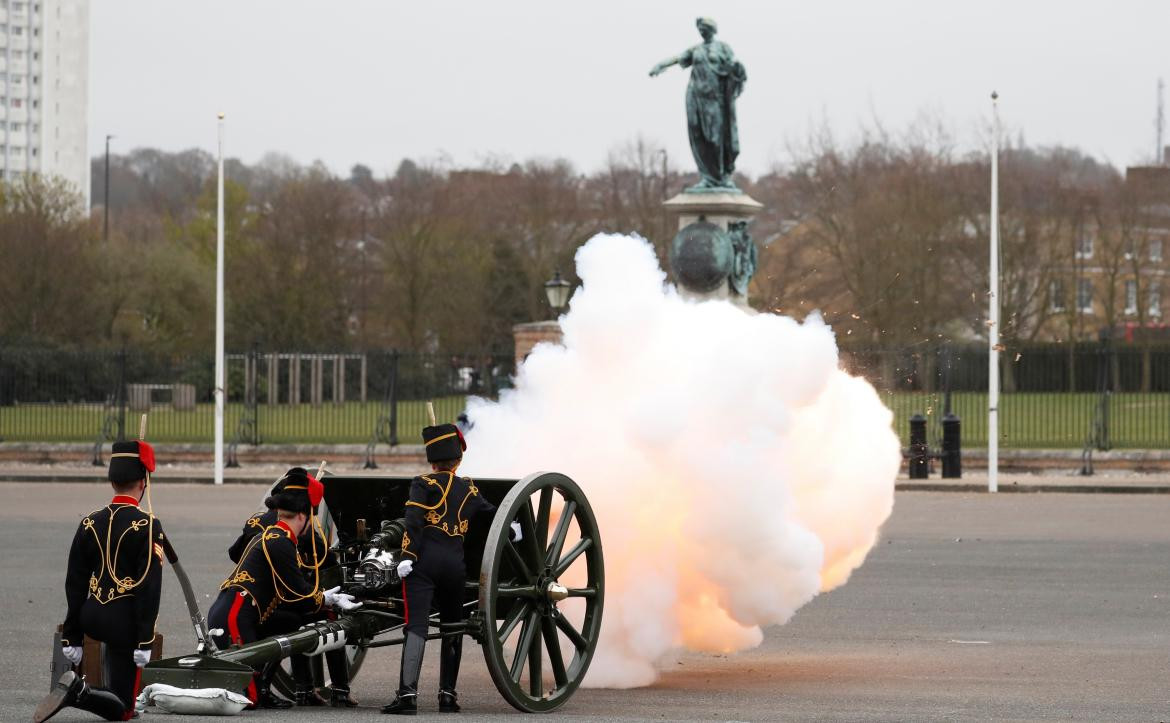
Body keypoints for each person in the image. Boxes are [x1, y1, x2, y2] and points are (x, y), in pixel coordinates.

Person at [382, 423, 521, 715]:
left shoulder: (424, 483)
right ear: (458, 461)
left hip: (423, 564)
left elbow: (414, 520)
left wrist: (406, 555)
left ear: (432, 461)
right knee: (451, 627)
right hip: (455, 568)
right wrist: (513, 532)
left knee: (417, 625)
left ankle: (408, 696)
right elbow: (493, 517)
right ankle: (447, 696)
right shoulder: (468, 487)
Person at [35, 440, 166, 723]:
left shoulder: (89, 522)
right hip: (124, 624)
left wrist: (72, 632)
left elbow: (75, 582)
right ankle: (79, 691)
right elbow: (148, 589)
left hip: (90, 615)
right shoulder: (148, 525)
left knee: (116, 694)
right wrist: (145, 639)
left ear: (113, 481)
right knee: (125, 710)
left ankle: (87, 689)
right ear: (143, 484)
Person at [206, 468, 360, 709]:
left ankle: (266, 686)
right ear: (302, 517)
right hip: (234, 617)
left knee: (291, 623)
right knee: (249, 700)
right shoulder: (280, 542)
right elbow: (298, 592)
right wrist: (328, 599)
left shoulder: (276, 534)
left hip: (248, 614)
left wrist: (322, 598)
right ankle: (261, 688)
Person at [649, 17, 747, 190]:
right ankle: (706, 177)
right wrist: (660, 65)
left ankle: (721, 176)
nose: (701, 30)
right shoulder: (696, 50)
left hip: (714, 98)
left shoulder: (722, 48)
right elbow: (678, 58)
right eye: (699, 28)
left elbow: (734, 67)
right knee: (697, 132)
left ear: (712, 29)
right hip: (695, 95)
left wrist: (737, 71)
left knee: (715, 138)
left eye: (704, 27)